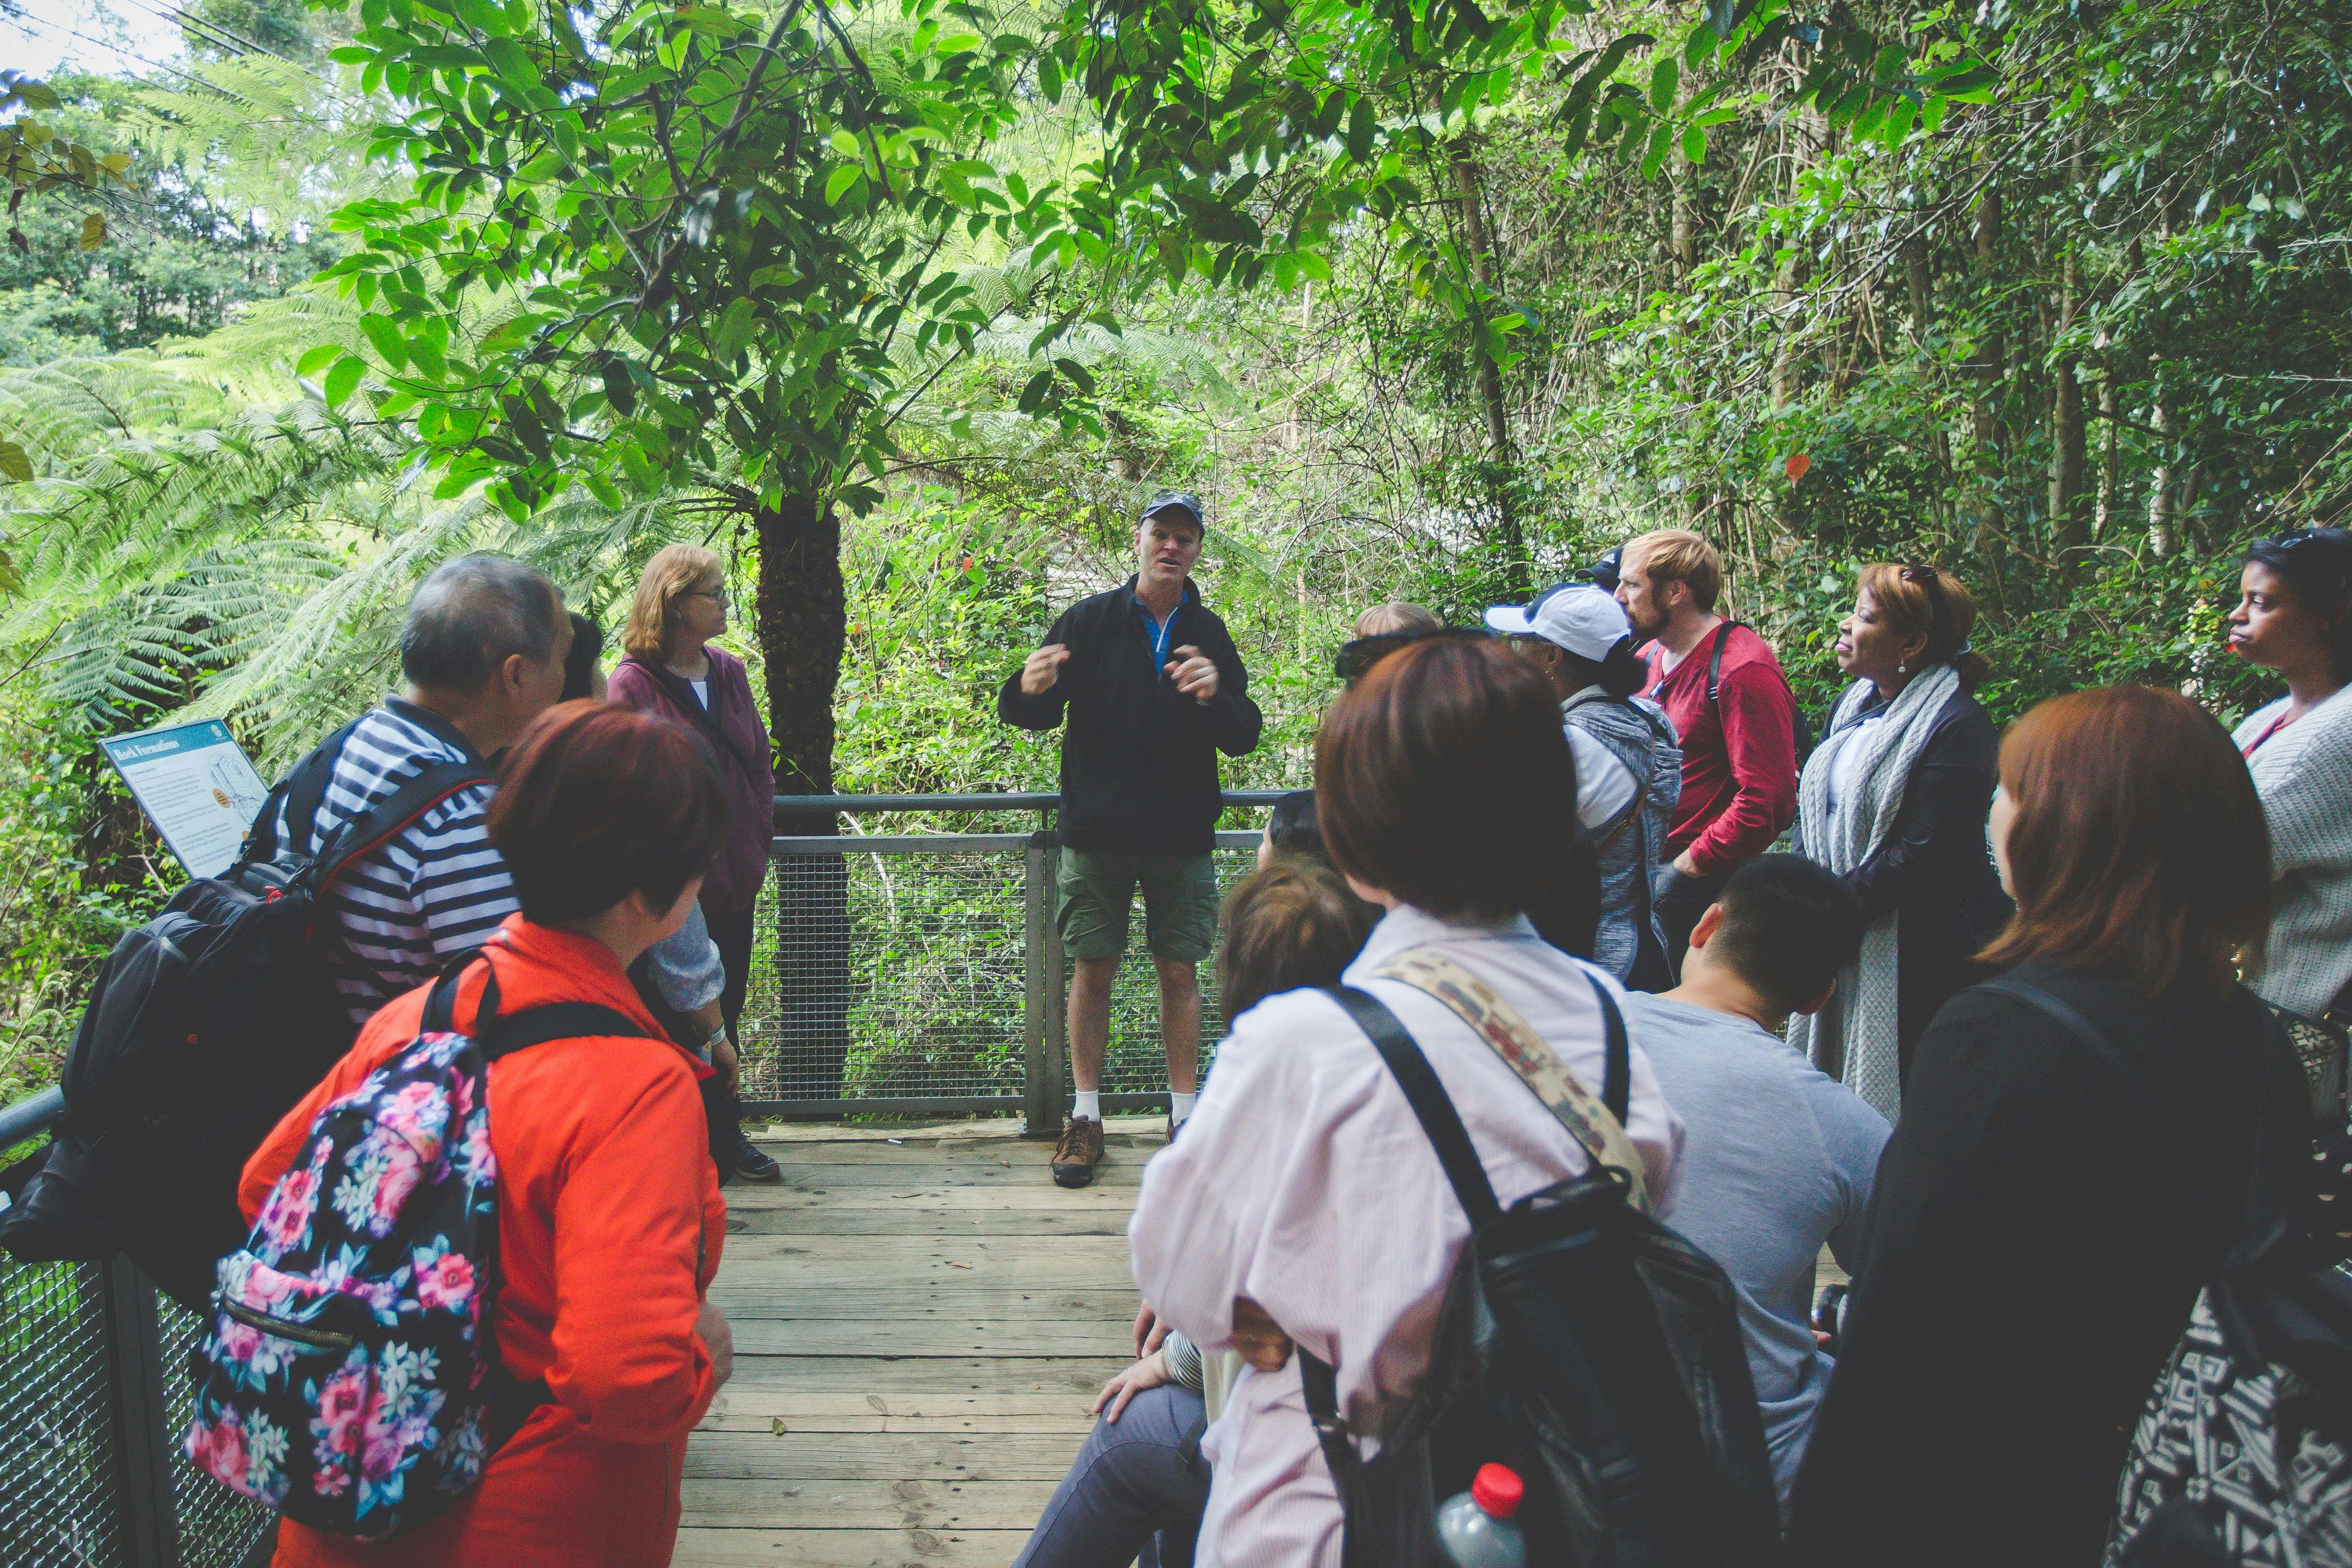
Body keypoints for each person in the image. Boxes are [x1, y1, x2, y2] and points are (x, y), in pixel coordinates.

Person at [1127, 636, 1681, 1568]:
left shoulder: (1303, 1041)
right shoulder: (1613, 1023)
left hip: (1331, 1512)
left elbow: (1176, 1268)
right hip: (1549, 1512)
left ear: (1355, 828)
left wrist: (1268, 1304)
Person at [1786, 686, 2315, 1568]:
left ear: (2063, 830)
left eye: (2010, 788)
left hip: (1997, 1491)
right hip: (2168, 1482)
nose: (1992, 810)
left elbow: (1903, 1334)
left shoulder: (1999, 1035)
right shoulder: (2259, 1040)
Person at [239, 701, 736, 1567]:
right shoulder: (634, 1087)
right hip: (530, 1520)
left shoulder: (414, 1019)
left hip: (345, 1500)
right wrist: (699, 1356)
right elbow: (623, 1374)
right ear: (650, 892)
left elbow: (266, 1189)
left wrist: (393, 1336)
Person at [1012, 857, 1378, 1568]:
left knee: (1132, 1433)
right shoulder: (1386, 1090)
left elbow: (1180, 1274)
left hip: (1307, 1462)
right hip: (1401, 1434)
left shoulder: (1267, 1118)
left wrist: (1174, 1355)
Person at [999, 490, 1265, 1185]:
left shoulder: (1208, 630)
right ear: (1139, 542)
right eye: (1161, 534)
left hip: (1182, 834)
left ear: (1197, 549)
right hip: (1098, 832)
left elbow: (1244, 735)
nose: (1172, 547)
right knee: (1094, 968)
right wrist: (1027, 686)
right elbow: (1032, 713)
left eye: (1186, 537)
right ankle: (1084, 1120)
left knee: (1181, 970)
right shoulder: (1088, 620)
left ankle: (1185, 1118)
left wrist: (1216, 696)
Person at [1618, 855, 1884, 1512]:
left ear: (1706, 925)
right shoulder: (1840, 1123)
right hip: (1749, 1470)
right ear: (1820, 995)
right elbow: (1909, 1291)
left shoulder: (1566, 1032)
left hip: (1555, 1427)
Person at [264, 555, 571, 1028]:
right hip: (395, 1083)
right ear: (516, 675)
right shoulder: (460, 818)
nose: (564, 681)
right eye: (562, 658)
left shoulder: (345, 747)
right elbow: (505, 1014)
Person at [1787, 564, 2009, 1120]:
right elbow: (1817, 813)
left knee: (1915, 1103)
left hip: (1922, 952)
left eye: (1862, 617)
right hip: (1850, 922)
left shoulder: (1960, 725)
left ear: (1911, 642)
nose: (1844, 625)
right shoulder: (1854, 705)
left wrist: (1822, 910)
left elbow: (1921, 855)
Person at [607, 544, 781, 1183]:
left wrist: (757, 830)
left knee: (726, 1002)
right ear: (676, 604)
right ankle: (690, 1145)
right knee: (679, 1015)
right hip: (672, 887)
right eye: (714, 594)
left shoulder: (729, 671)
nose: (726, 603)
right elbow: (630, 785)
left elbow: (758, 760)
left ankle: (725, 1136)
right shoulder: (632, 685)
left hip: (735, 878)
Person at [1614, 529, 1800, 969]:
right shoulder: (1649, 657)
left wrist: (1686, 867)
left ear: (1676, 591)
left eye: (1632, 584)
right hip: (1643, 880)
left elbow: (1768, 799)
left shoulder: (1741, 669)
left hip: (1695, 889)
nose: (1619, 596)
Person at [1488, 582, 1682, 988]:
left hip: (1587, 961)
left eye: (1524, 643)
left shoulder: (1568, 745)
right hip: (1644, 943)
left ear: (1552, 656)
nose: (1514, 653)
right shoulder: (1648, 720)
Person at [2227, 527, 2352, 1087]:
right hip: (2266, 1011)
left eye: (2261, 602)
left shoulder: (2331, 738)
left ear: (2330, 614)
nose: (2236, 615)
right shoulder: (2276, 715)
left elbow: (2212, 865)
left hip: (2299, 1025)